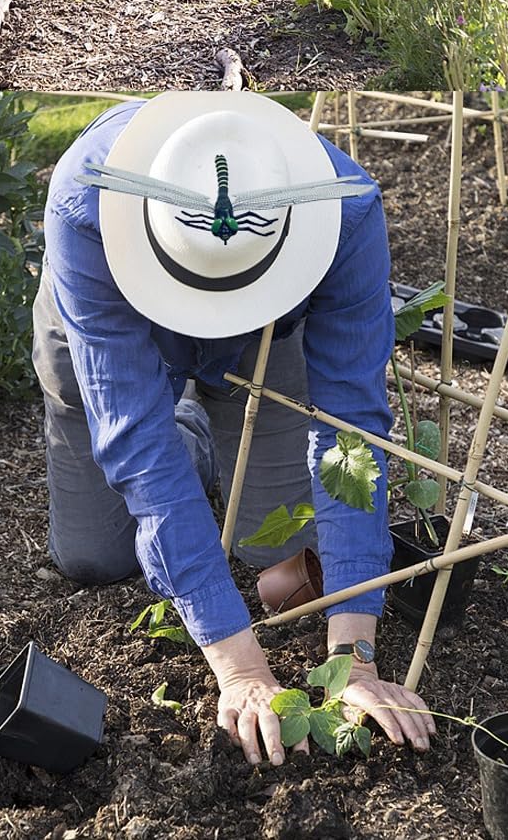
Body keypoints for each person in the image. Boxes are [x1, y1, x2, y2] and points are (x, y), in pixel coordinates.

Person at [32, 92, 435, 765]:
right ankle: (185, 428)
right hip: (113, 336)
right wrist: (241, 665)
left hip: (265, 339)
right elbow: (133, 438)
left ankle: (199, 431)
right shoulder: (87, 207)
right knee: (96, 557)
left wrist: (354, 659)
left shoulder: (346, 212)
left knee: (267, 549)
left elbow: (349, 432)